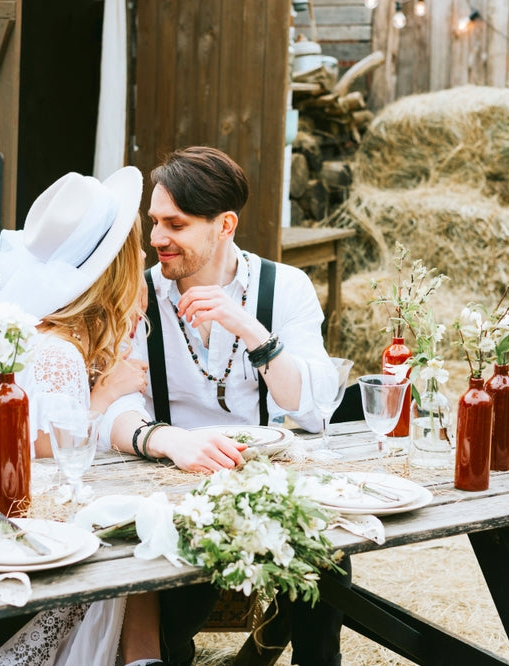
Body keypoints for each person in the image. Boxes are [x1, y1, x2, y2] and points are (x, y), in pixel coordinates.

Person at [99, 146, 349, 666]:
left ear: (225, 225)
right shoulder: (138, 294)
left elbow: (314, 407)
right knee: (166, 593)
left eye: (176, 224)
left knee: (329, 563)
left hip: (260, 481)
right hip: (164, 486)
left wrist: (252, 331)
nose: (156, 239)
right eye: (154, 221)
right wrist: (166, 441)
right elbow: (111, 405)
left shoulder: (286, 287)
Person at [0, 166, 160, 666]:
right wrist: (103, 395)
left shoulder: (34, 331)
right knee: (131, 546)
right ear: (114, 268)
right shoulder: (59, 351)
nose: (144, 258)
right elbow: (49, 448)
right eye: (134, 251)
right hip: (9, 554)